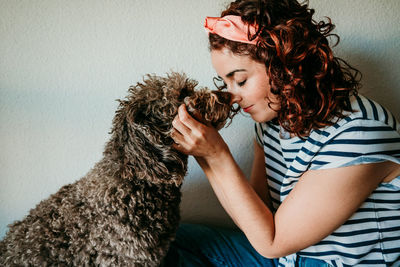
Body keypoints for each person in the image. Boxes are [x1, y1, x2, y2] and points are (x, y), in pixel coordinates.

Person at [166, 0, 400, 266]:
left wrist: (216, 155)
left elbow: (271, 243)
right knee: (166, 241)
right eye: (226, 81)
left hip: (328, 262)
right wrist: (204, 153)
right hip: (286, 257)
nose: (232, 96)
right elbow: (256, 218)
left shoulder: (360, 132)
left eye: (240, 80)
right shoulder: (272, 122)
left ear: (284, 65)